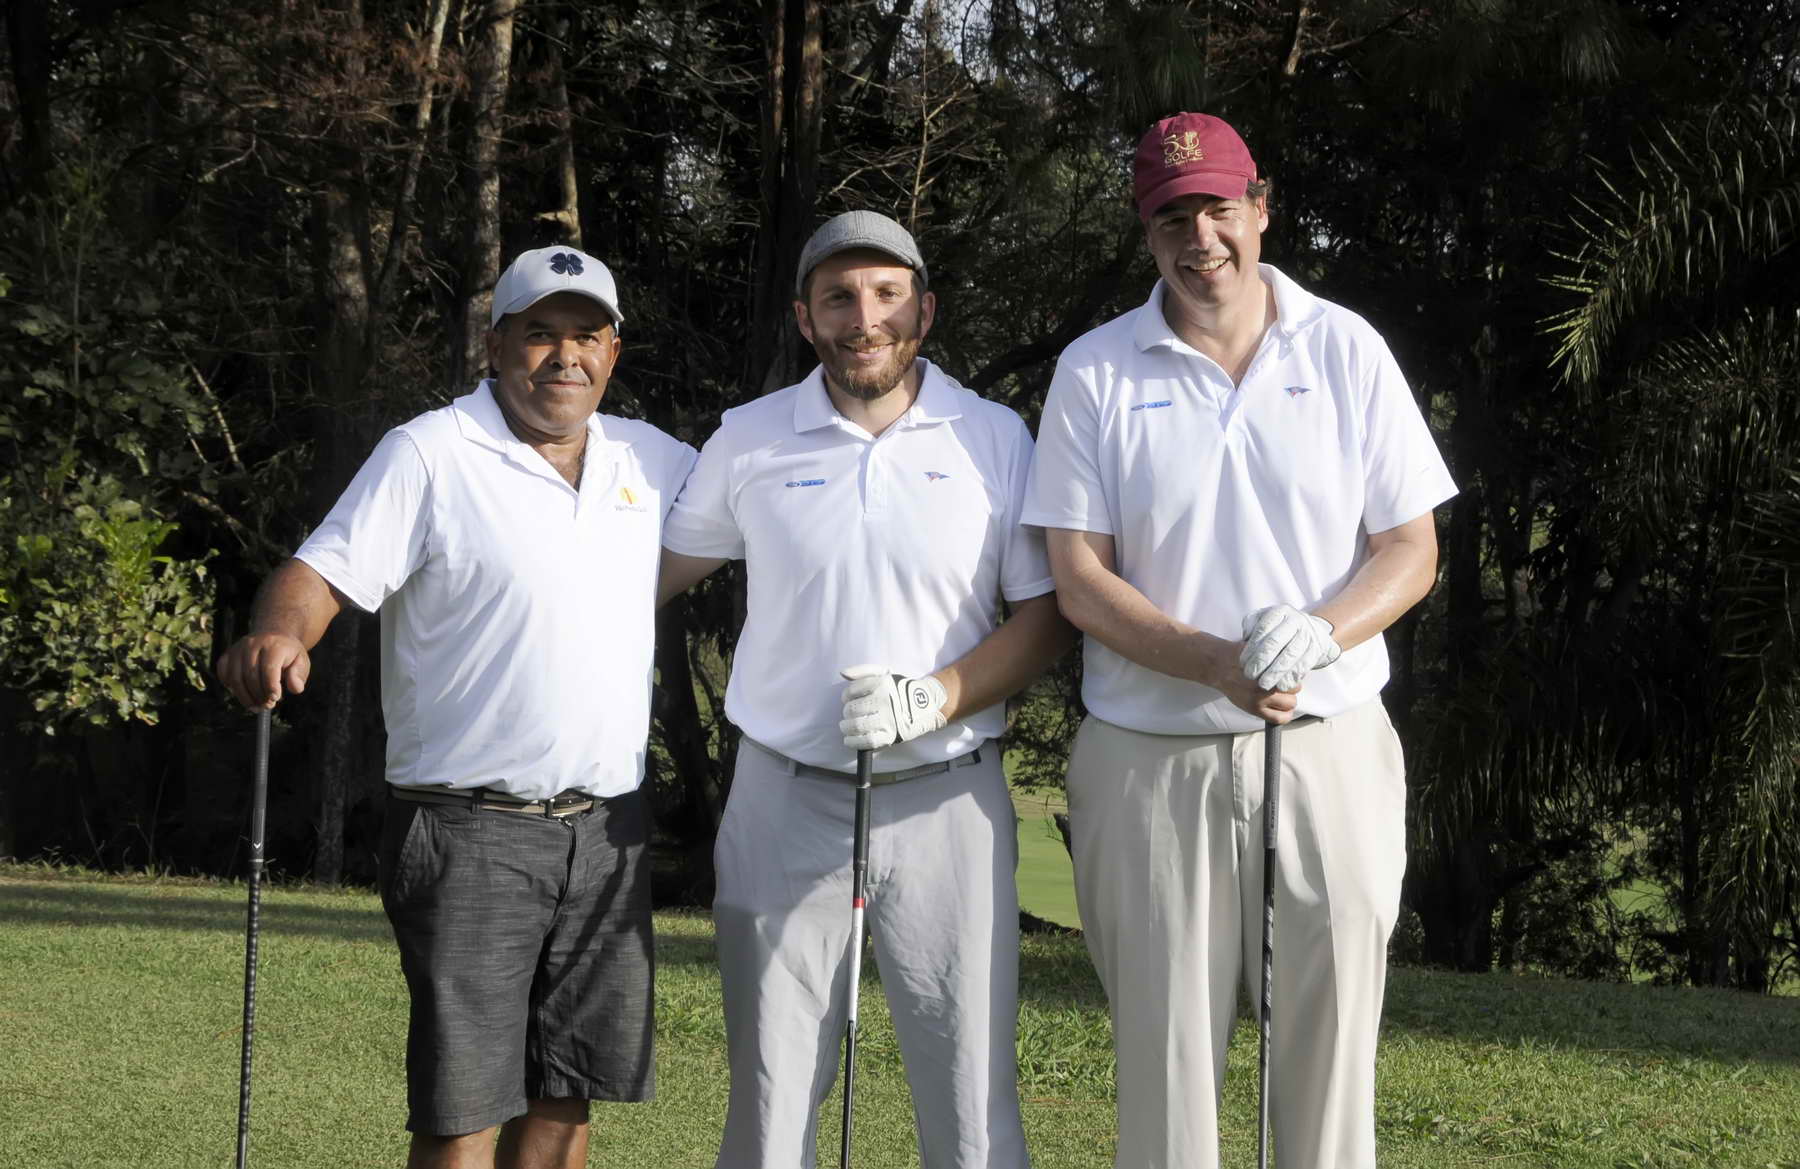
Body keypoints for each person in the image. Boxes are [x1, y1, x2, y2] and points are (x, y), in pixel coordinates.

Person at [1022, 112, 1458, 1169]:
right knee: (1166, 1060)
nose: (1200, 237)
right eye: (1173, 217)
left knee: (1332, 1046)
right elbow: (1079, 577)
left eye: (1218, 208)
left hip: (1328, 741)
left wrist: (1317, 633)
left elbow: (1411, 548)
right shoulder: (1095, 369)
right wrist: (1215, 661)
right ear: (1147, 231)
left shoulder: (1345, 347)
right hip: (1149, 755)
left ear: (1260, 208)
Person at [214, 246, 696, 1169]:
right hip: (469, 828)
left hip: (608, 831)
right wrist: (281, 633)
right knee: (462, 1105)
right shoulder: (431, 451)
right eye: (540, 333)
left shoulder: (653, 459)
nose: (565, 356)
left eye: (586, 335)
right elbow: (318, 573)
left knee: (566, 1092)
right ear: (496, 343)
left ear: (613, 351)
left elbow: (767, 512)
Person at [658, 210, 1073, 1169]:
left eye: (887, 293)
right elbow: (649, 578)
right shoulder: (750, 437)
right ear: (805, 317)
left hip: (949, 800)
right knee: (769, 1108)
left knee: (972, 1107)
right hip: (783, 799)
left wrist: (935, 696)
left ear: (925, 308)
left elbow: (1047, 617)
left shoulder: (993, 436)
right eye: (839, 297)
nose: (864, 317)